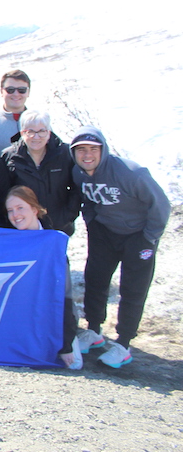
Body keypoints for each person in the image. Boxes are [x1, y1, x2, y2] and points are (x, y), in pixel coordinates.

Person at [69, 126, 171, 369]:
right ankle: (94, 330)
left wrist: (149, 238)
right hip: (105, 232)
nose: (87, 155)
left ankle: (123, 343)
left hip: (138, 234)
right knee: (95, 280)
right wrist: (92, 222)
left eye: (93, 149)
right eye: (81, 150)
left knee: (132, 288)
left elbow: (161, 205)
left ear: (103, 150)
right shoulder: (78, 173)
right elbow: (88, 201)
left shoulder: (131, 173)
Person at [5, 186, 81, 370]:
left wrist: (66, 344)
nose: (15, 214)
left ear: (34, 209)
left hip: (51, 318)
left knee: (74, 365)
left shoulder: (52, 245)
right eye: (10, 210)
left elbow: (66, 298)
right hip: (21, 320)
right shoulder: (7, 242)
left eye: (20, 207)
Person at [0, 110, 80, 236]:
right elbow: (2, 192)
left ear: (49, 132)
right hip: (24, 228)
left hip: (59, 226)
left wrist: (67, 216)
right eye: (30, 131)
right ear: (22, 133)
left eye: (41, 131)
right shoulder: (10, 157)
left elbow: (77, 188)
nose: (36, 137)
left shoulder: (65, 153)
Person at [0, 70, 32, 153]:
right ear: (1, 91)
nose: (16, 94)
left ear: (28, 92)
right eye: (10, 90)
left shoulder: (39, 121)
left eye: (22, 90)